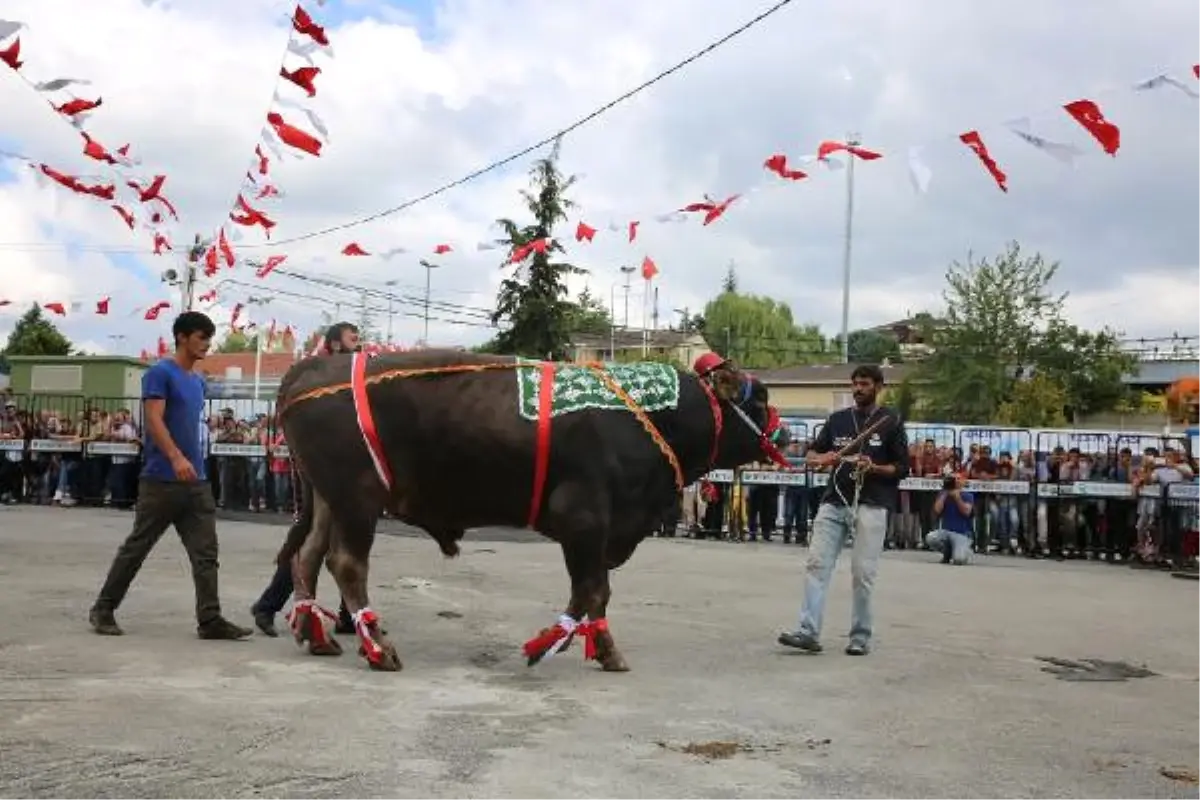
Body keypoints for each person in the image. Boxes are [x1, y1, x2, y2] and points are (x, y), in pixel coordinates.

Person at [89, 312, 252, 640]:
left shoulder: (197, 381)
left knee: (206, 553)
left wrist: (192, 463)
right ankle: (103, 609)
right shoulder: (160, 373)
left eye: (209, 337)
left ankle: (210, 619)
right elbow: (153, 419)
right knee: (137, 547)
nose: (207, 343)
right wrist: (175, 456)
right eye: (201, 337)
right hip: (160, 480)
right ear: (181, 337)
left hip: (196, 481)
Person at [776, 364, 908, 656]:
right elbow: (812, 455)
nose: (858, 389)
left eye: (864, 384)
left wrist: (873, 467)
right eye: (855, 384)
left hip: (872, 503)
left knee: (862, 573)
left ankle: (860, 636)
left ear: (878, 387)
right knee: (816, 565)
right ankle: (807, 631)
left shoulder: (890, 421)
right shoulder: (837, 420)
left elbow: (902, 467)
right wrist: (824, 458)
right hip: (834, 500)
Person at [250, 322, 360, 637]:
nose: (359, 343)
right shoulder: (321, 377)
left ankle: (349, 614)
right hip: (322, 468)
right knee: (316, 538)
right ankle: (268, 605)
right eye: (353, 338)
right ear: (337, 344)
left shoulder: (345, 376)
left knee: (346, 539)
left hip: (343, 469)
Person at [924, 473, 976, 565]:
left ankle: (966, 550)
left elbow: (966, 512)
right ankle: (948, 553)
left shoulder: (968, 495)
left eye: (958, 479)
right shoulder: (943, 494)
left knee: (959, 560)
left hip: (961, 533)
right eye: (954, 479)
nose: (955, 481)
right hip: (946, 531)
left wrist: (957, 498)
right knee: (930, 538)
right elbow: (937, 510)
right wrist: (944, 494)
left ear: (963, 482)